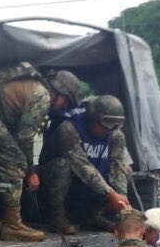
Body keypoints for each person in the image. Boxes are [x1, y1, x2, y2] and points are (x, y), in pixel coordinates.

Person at [0, 65, 84, 242]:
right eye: (66, 101)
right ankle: (12, 225)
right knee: (15, 162)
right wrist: (31, 172)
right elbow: (25, 136)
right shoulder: (43, 96)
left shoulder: (34, 86)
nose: (64, 107)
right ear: (59, 92)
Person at [40, 94, 133, 235]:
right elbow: (81, 165)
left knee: (127, 170)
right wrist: (110, 194)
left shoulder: (115, 134)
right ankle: (57, 217)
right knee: (62, 165)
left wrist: (121, 198)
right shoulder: (69, 128)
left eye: (113, 127)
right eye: (105, 126)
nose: (108, 130)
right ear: (93, 119)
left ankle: (95, 216)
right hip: (62, 184)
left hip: (90, 186)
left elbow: (117, 165)